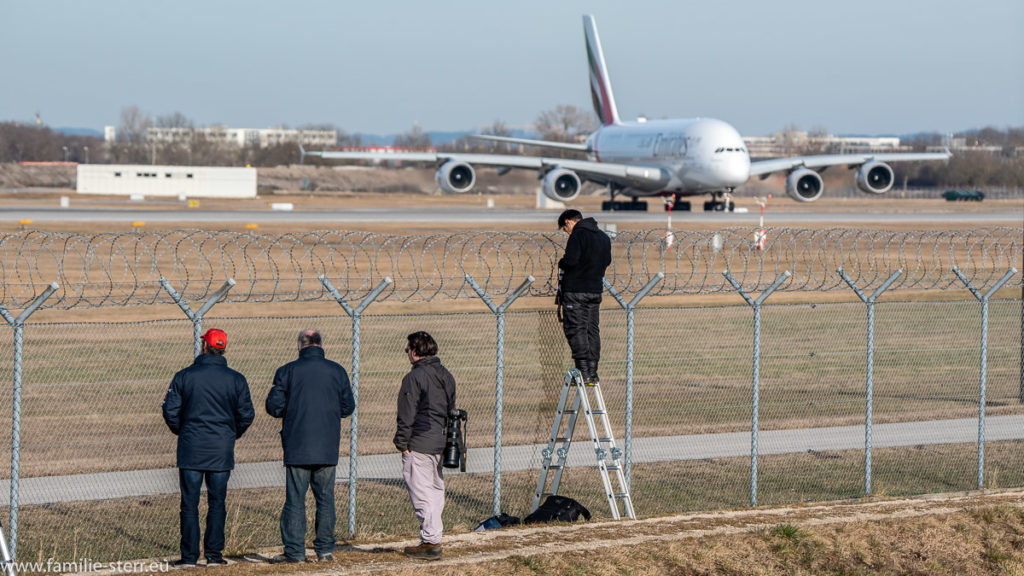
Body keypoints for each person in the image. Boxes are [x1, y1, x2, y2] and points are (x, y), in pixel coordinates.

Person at [162, 328, 255, 568]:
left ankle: (189, 557)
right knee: (217, 503)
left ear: (205, 347)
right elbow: (246, 414)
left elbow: (170, 410)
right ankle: (214, 555)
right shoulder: (236, 379)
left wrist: (182, 431)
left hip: (191, 448)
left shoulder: (184, 376)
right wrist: (231, 435)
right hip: (221, 450)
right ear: (223, 349)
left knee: (189, 504)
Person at [265, 329, 355, 564]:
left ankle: (294, 551)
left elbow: (274, 407)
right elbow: (347, 407)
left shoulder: (287, 371)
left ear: (299, 346)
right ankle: (325, 549)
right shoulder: (337, 371)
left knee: (295, 499)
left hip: (297, 445)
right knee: (325, 499)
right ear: (320, 345)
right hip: (327, 446)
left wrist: (293, 410)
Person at [394, 331, 456, 561]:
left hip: (419, 441)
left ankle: (430, 542)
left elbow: (407, 413)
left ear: (415, 351)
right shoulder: (446, 375)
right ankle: (433, 536)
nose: (406, 352)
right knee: (435, 489)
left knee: (421, 491)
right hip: (441, 442)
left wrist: (402, 442)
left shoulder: (415, 377)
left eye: (408, 348)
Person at [556, 208, 612, 384]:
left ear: (568, 222)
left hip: (575, 290)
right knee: (591, 330)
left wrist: (561, 262)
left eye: (566, 229)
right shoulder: (603, 236)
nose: (567, 232)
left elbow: (571, 260)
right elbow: (607, 261)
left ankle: (582, 371)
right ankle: (592, 372)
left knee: (576, 328)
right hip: (595, 290)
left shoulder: (578, 235)